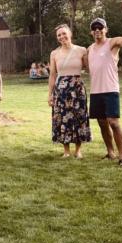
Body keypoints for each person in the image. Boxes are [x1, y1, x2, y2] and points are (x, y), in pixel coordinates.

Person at [87, 1, 122, 166]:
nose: (97, 30)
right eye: (94, 28)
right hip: (95, 92)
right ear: (91, 32)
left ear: (105, 30)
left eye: (100, 28)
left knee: (114, 123)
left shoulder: (112, 43)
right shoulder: (89, 49)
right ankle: (110, 152)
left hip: (110, 90)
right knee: (102, 123)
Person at [48, 24, 91, 158]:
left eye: (64, 33)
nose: (62, 37)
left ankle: (78, 150)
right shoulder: (54, 53)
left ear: (70, 34)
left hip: (77, 88)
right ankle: (66, 150)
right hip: (61, 90)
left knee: (79, 117)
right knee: (62, 119)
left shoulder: (82, 50)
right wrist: (50, 94)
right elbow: (52, 75)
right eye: (59, 35)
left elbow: (89, 67)